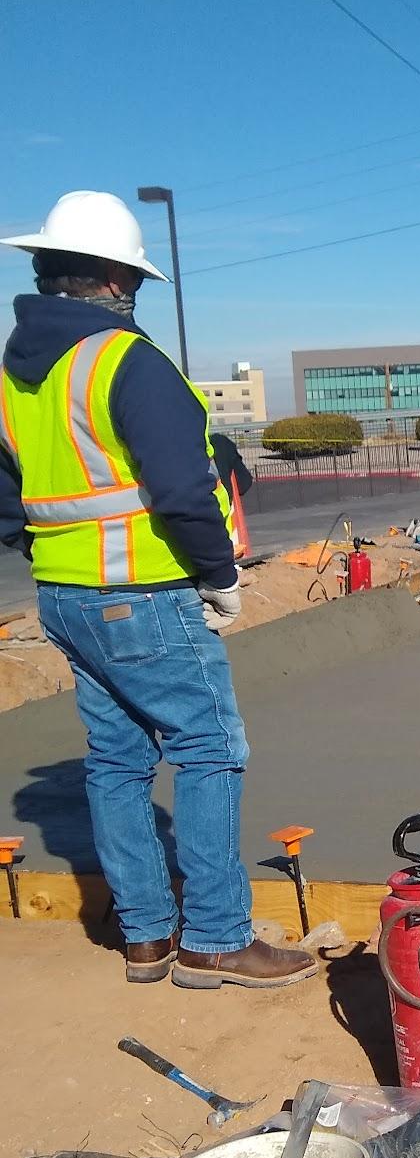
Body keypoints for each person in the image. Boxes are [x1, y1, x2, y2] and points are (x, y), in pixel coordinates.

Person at [0, 192, 317, 992]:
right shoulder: (125, 360)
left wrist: (53, 552)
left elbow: (11, 498)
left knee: (116, 760)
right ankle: (215, 936)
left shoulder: (13, 377)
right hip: (143, 592)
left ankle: (146, 936)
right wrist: (217, 575)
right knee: (210, 750)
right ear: (114, 277)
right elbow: (180, 490)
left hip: (65, 597)